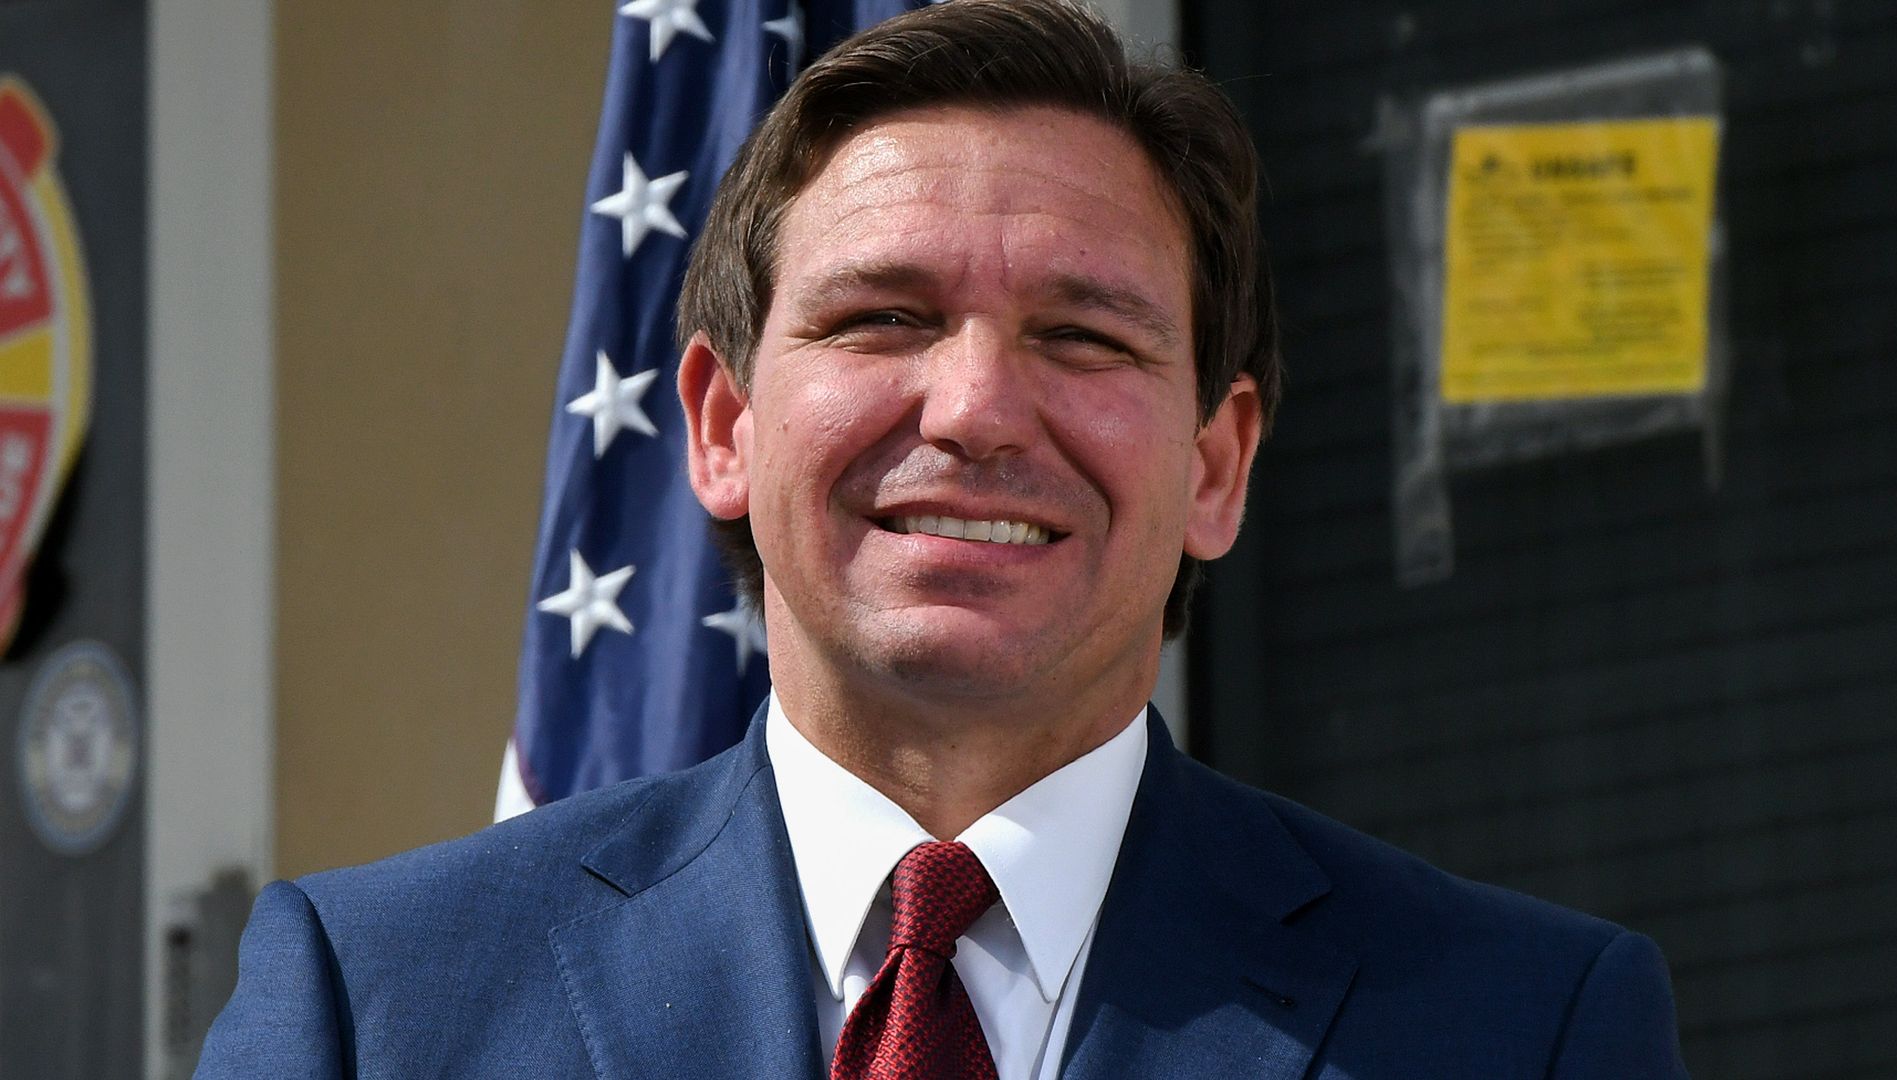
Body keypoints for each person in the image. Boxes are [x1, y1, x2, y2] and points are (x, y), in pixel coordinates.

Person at [196, 2, 1688, 1077]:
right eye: (886, 318)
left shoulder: (1524, 1026)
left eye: (1085, 336)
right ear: (718, 425)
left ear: (1218, 465)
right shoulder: (380, 1008)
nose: (975, 407)